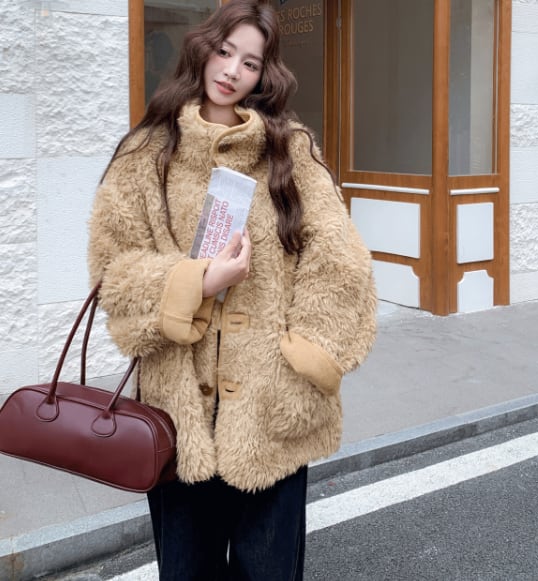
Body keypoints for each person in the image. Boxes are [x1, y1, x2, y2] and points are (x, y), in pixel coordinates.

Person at [88, 0, 376, 579]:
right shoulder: (146, 152)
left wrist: (307, 355)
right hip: (178, 417)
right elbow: (112, 270)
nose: (231, 71)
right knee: (186, 570)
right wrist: (197, 281)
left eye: (250, 61)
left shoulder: (290, 150)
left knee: (268, 569)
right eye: (224, 51)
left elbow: (339, 257)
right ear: (202, 49)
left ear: (265, 74)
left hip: (272, 410)